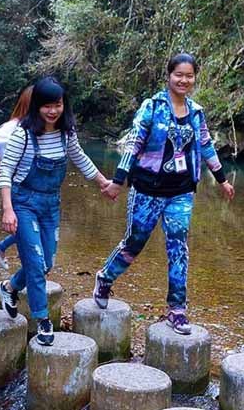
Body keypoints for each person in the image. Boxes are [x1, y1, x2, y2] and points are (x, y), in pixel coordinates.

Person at [93, 53, 235, 335]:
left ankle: (177, 309)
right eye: (178, 75)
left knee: (178, 246)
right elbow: (133, 144)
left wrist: (221, 179)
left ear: (195, 78)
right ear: (169, 76)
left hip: (181, 192)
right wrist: (119, 180)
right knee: (135, 242)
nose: (184, 80)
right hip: (147, 188)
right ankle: (105, 277)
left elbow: (206, 145)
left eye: (189, 76)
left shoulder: (196, 112)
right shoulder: (153, 106)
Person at [0, 78, 111, 345]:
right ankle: (43, 320)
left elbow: (80, 158)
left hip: (50, 205)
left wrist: (103, 182)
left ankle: (10, 287)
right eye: (47, 106)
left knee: (47, 263)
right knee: (36, 265)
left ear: (64, 105)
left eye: (57, 105)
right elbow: (5, 172)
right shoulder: (23, 135)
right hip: (23, 203)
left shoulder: (66, 133)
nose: (52, 111)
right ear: (36, 106)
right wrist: (7, 209)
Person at [0, 85, 33, 269]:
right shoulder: (13, 127)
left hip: (30, 187)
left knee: (27, 226)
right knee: (24, 226)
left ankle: (3, 247)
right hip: (13, 185)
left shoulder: (40, 129)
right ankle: (21, 263)